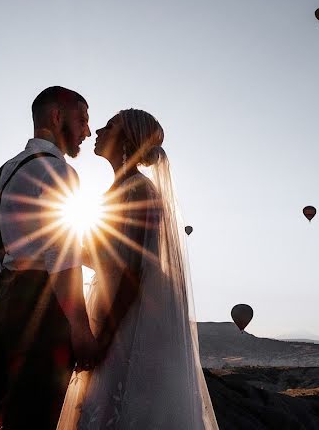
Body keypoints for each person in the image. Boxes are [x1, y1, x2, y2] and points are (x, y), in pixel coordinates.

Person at [57, 109, 218, 429]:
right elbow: (111, 260)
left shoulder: (138, 192)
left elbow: (132, 274)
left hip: (129, 324)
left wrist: (104, 339)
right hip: (113, 311)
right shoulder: (119, 192)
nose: (98, 130)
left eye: (110, 125)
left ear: (126, 140)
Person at [0, 86, 98, 430]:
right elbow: (62, 253)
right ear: (56, 116)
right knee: (33, 417)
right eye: (82, 120)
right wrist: (79, 326)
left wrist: (4, 299)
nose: (87, 132)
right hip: (43, 307)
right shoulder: (59, 172)